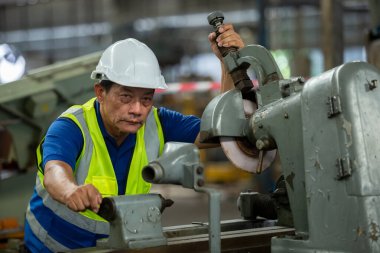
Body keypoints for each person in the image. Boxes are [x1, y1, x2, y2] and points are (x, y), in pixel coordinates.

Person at [24, 24, 245, 253]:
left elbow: (216, 132)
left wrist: (227, 65)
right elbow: (54, 172)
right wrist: (70, 190)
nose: (137, 109)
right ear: (100, 92)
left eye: (146, 99)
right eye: (126, 97)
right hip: (51, 247)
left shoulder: (158, 122)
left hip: (111, 246)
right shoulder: (72, 126)